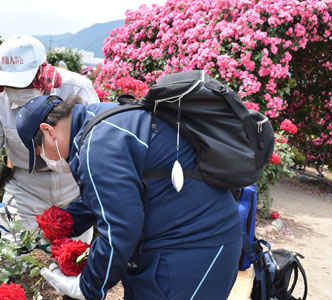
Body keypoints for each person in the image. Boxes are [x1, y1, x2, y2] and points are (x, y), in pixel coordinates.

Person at [16, 94, 243, 300]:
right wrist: (58, 225)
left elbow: (120, 227)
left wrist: (88, 286)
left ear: (48, 130)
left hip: (194, 249)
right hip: (185, 236)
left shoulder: (98, 145)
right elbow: (111, 197)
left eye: (40, 153)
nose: (46, 161)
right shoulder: (101, 118)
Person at [0, 34, 99, 244]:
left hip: (72, 182)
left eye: (26, 83)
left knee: (75, 255)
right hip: (26, 184)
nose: (19, 90)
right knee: (14, 253)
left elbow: (96, 145)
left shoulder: (75, 88)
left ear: (42, 72)